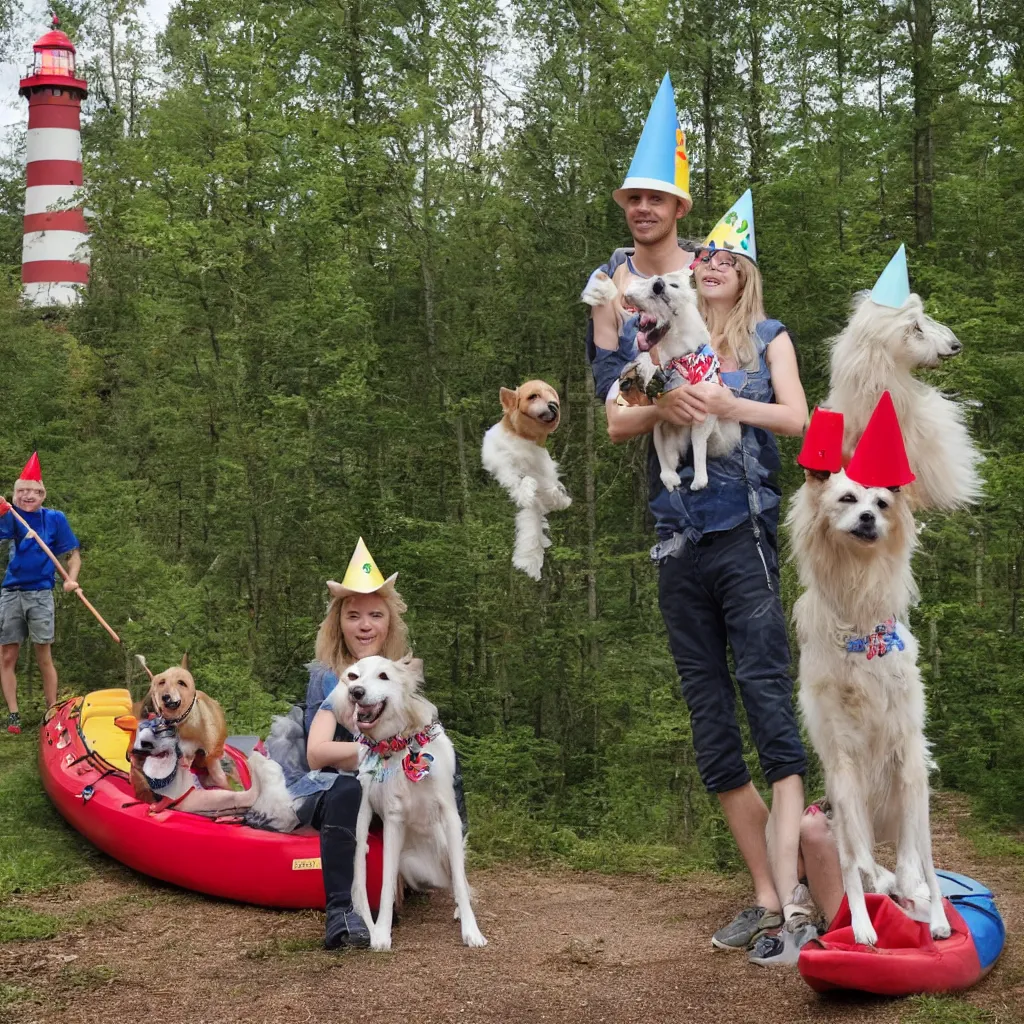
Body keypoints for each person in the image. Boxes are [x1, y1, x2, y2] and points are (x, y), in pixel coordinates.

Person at [586, 132, 811, 953]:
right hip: (675, 541)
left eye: (724, 260)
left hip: (743, 532)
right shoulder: (657, 343)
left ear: (743, 276)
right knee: (710, 722)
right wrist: (664, 405)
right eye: (703, 259)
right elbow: (617, 417)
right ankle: (764, 892)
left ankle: (795, 905)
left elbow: (802, 421)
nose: (710, 266)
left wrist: (725, 406)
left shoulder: (767, 339)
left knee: (767, 703)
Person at [0, 453, 81, 735]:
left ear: (43, 494)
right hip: (11, 593)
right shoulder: (10, 515)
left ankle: (52, 713)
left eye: (35, 491)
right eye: (23, 491)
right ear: (15, 493)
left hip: (41, 594)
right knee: (8, 655)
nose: (28, 496)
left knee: (43, 654)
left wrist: (71, 580)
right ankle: (14, 715)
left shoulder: (55, 519)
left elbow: (73, 555)